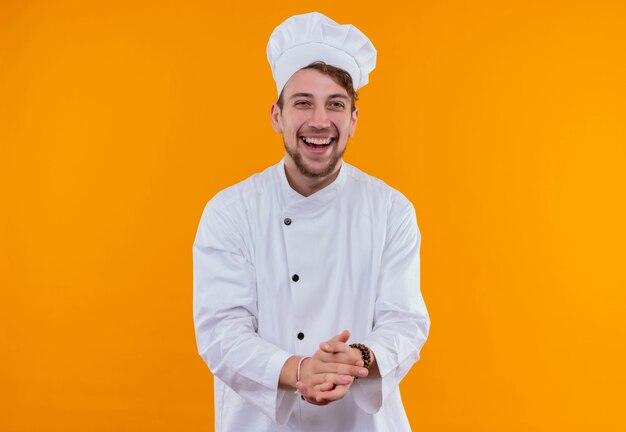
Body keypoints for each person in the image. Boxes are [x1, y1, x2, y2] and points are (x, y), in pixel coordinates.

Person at [193, 11, 430, 431]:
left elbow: (405, 322)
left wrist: (358, 357)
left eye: (335, 104)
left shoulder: (392, 210)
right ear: (276, 116)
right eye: (303, 102)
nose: (319, 121)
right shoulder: (230, 212)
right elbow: (221, 331)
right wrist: (297, 370)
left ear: (354, 119)